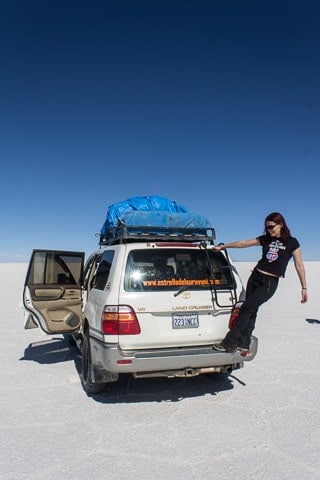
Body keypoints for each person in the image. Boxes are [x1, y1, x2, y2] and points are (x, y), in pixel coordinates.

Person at [212, 212, 308, 354]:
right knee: (252, 310)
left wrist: (304, 287)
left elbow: (299, 265)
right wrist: (224, 247)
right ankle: (244, 344)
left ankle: (229, 343)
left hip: (269, 283)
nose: (269, 230)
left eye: (271, 227)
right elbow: (243, 243)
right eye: (267, 228)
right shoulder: (265, 239)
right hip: (255, 277)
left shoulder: (292, 243)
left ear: (281, 225)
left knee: (246, 308)